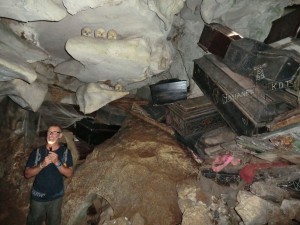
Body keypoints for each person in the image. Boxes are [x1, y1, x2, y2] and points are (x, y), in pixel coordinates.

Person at [24, 124, 73, 225]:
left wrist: (57, 162)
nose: (51, 135)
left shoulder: (66, 152)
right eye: (49, 132)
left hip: (56, 196)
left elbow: (69, 174)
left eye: (55, 133)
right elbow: (27, 174)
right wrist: (42, 164)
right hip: (38, 196)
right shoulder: (37, 152)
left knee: (54, 222)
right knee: (34, 221)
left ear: (60, 136)